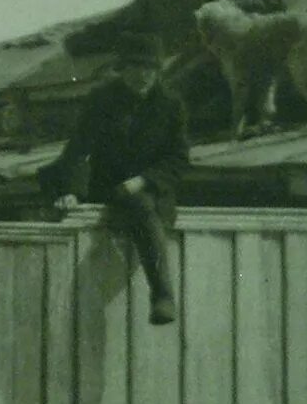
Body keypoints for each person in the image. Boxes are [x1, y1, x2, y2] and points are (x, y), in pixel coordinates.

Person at [39, 43, 192, 327]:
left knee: (142, 204)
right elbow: (79, 149)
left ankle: (163, 295)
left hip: (151, 189)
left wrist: (143, 180)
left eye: (149, 69)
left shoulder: (171, 105)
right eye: (134, 68)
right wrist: (71, 191)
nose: (142, 75)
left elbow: (179, 158)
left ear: (157, 73)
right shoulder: (101, 100)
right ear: (122, 70)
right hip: (106, 184)